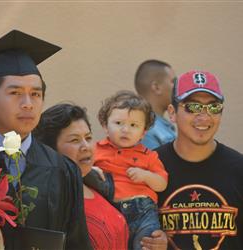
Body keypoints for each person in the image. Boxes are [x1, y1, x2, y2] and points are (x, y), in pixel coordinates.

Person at [0, 30, 92, 249]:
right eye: (15, 93)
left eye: (36, 94)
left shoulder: (64, 170)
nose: (28, 103)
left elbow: (77, 243)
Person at [156, 70, 243, 249]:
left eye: (213, 107)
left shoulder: (239, 168)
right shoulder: (151, 165)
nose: (204, 117)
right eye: (193, 107)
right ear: (172, 113)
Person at [34, 103, 129, 250]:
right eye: (75, 140)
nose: (86, 146)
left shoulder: (98, 183)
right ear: (51, 150)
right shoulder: (48, 201)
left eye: (88, 137)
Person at [95, 90, 168, 250]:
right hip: (110, 211)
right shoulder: (96, 151)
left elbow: (162, 184)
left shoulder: (149, 156)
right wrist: (92, 170)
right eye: (118, 123)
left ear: (143, 132)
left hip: (143, 212)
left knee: (146, 245)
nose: (125, 130)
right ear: (105, 126)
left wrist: (146, 176)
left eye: (133, 125)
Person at [134, 59, 176, 149]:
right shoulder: (146, 130)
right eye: (173, 82)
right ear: (156, 87)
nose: (176, 87)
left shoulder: (158, 126)